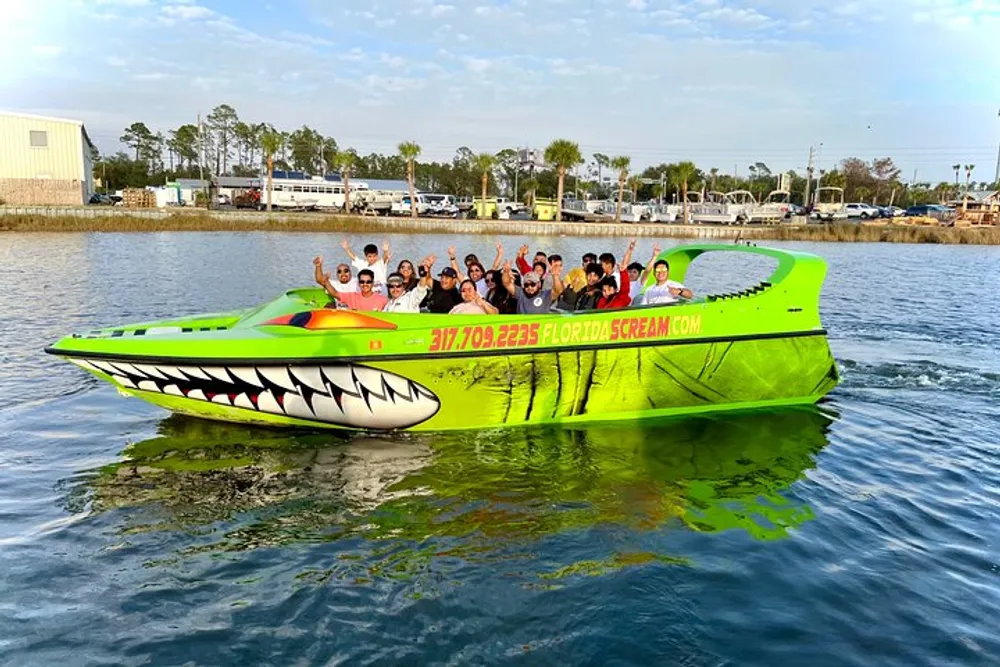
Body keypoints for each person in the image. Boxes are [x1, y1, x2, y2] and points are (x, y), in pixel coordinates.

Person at [314, 260, 388, 311]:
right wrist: (318, 266)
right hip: (343, 315)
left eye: (346, 271)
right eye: (339, 272)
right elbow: (321, 280)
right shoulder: (350, 296)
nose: (343, 274)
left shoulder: (356, 281)